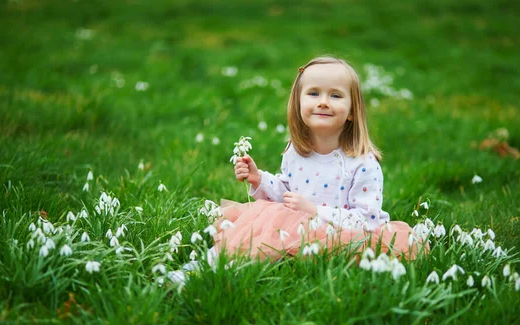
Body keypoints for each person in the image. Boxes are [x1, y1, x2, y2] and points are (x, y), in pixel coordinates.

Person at [168, 56, 420, 284]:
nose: (323, 102)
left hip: (338, 237)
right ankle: (202, 267)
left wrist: (315, 212)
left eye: (335, 95)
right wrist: (260, 180)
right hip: (294, 228)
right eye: (313, 93)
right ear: (298, 103)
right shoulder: (296, 152)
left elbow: (368, 220)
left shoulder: (362, 164)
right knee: (256, 229)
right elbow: (287, 193)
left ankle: (227, 272)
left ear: (353, 111)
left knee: (267, 247)